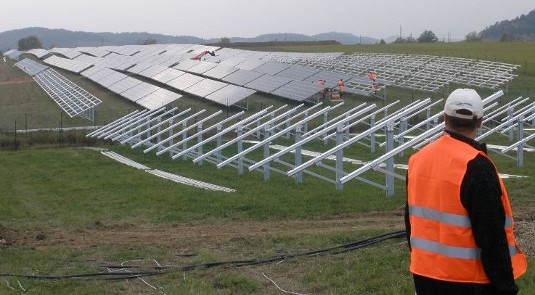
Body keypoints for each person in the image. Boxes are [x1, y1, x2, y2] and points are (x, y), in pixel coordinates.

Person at [405, 88, 527, 295]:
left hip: (424, 275)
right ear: (480, 121)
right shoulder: (477, 166)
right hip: (469, 280)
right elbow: (491, 236)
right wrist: (506, 286)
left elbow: (410, 221)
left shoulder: (417, 160)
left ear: (444, 118)